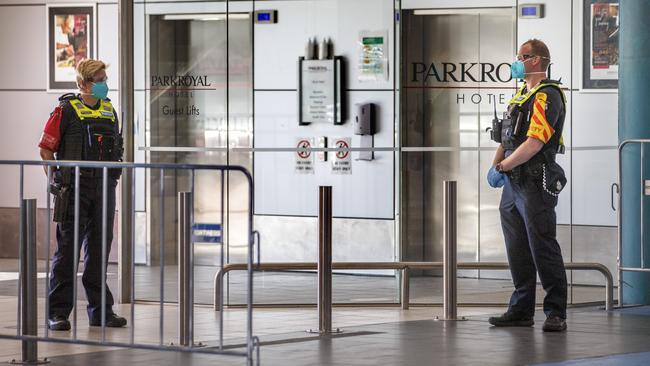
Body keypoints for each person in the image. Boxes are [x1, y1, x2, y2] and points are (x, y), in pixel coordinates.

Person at [486, 39, 568, 332]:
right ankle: (521, 309)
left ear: (535, 60)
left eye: (521, 57)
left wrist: (504, 166)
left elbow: (535, 143)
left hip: (535, 180)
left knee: (542, 245)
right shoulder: (522, 94)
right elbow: (506, 139)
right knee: (517, 248)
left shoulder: (548, 96)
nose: (516, 62)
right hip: (513, 183)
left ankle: (556, 312)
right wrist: (497, 165)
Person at [38, 59, 127, 331]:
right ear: (83, 83)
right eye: (98, 80)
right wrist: (57, 184)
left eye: (104, 79)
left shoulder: (110, 110)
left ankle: (101, 311)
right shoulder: (65, 110)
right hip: (74, 189)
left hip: (104, 189)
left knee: (99, 251)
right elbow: (45, 150)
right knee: (67, 253)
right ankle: (58, 313)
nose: (103, 84)